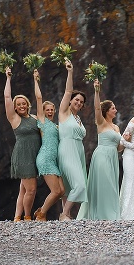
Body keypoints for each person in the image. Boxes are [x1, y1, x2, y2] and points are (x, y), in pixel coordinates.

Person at [77, 79, 121, 220]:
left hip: (113, 156)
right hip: (102, 155)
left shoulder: (117, 128)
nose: (116, 110)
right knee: (105, 183)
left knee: (112, 185)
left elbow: (119, 148)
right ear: (107, 111)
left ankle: (111, 213)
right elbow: (97, 109)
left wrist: (127, 139)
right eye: (113, 108)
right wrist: (96, 91)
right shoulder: (101, 123)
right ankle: (102, 214)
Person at [3, 66, 41, 221]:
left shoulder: (34, 118)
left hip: (34, 156)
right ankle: (27, 217)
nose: (21, 106)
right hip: (22, 156)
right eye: (18, 104)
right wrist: (8, 78)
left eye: (23, 103)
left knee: (23, 190)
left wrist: (36, 80)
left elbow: (39, 98)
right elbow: (6, 97)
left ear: (27, 104)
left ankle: (17, 217)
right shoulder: (14, 119)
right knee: (31, 189)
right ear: (15, 107)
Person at [31, 69, 65, 221]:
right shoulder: (42, 122)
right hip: (45, 158)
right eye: (47, 110)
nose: (50, 112)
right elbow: (39, 98)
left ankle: (41, 211)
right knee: (56, 191)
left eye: (52, 110)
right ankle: (41, 214)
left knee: (62, 190)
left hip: (54, 161)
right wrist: (36, 80)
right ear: (43, 112)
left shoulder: (56, 126)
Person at [57, 59, 88, 220]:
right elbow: (68, 91)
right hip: (67, 149)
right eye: (76, 100)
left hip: (78, 151)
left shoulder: (78, 119)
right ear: (70, 101)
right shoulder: (64, 113)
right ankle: (63, 214)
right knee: (80, 185)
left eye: (81, 102)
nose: (78, 102)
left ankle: (67, 214)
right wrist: (70, 71)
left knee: (69, 186)